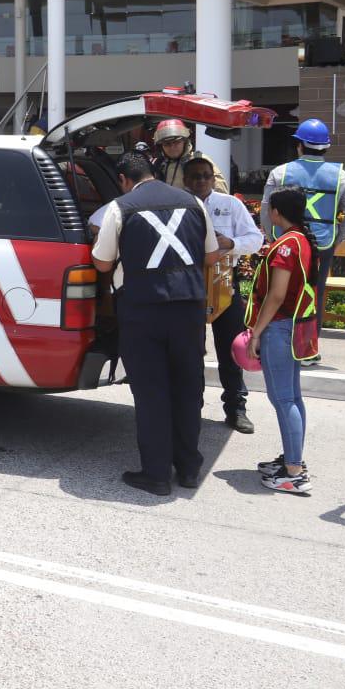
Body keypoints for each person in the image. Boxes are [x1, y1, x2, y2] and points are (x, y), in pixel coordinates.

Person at [92, 153, 224, 495]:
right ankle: (189, 468)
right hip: (188, 310)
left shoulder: (120, 208)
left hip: (142, 310)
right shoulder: (193, 202)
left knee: (151, 392)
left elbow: (103, 263)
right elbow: (210, 256)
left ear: (124, 179)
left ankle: (156, 474)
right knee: (187, 388)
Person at [262, 118, 345, 367]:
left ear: (299, 145)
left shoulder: (280, 172)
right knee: (313, 295)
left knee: (278, 293)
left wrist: (272, 236)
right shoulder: (342, 176)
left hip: (285, 241)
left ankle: (276, 345)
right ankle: (307, 350)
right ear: (325, 147)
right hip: (321, 245)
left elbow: (266, 209)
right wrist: (338, 238)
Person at [247, 188, 320, 495]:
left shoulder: (287, 246)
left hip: (279, 328)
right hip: (294, 326)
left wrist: (256, 331)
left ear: (276, 212)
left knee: (283, 399)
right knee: (293, 397)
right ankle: (294, 460)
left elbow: (277, 295)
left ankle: (293, 471)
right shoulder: (301, 238)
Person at [184, 153, 264, 434]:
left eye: (206, 175)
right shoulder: (178, 205)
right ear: (185, 180)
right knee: (190, 352)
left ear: (214, 177)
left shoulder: (230, 205)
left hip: (223, 289)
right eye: (194, 176)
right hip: (188, 290)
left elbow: (256, 240)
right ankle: (191, 407)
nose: (201, 181)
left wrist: (231, 242)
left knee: (230, 351)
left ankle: (236, 408)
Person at [151, 120, 228, 192]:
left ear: (185, 142)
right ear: (161, 146)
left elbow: (220, 191)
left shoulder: (200, 161)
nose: (172, 147)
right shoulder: (157, 164)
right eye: (167, 144)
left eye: (176, 142)